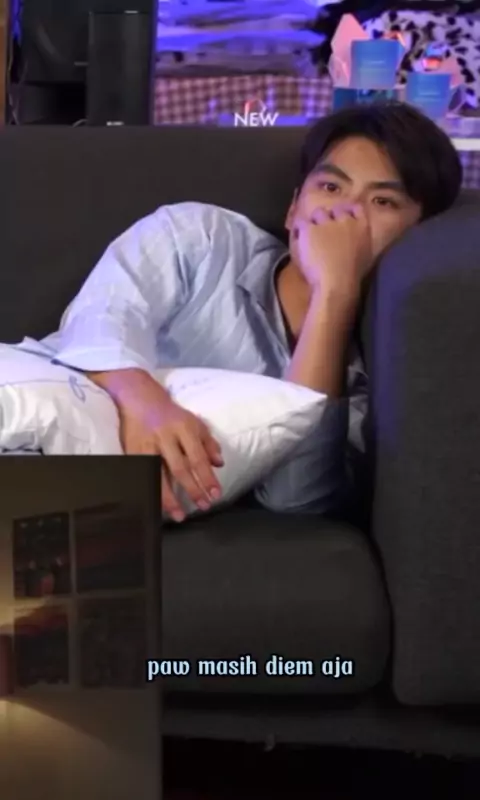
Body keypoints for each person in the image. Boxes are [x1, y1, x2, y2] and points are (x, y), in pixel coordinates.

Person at [19, 103, 462, 522]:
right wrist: (146, 405)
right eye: (330, 188)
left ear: (418, 237)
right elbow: (102, 317)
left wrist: (334, 294)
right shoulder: (201, 237)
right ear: (293, 209)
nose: (343, 215)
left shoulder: (378, 373)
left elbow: (294, 500)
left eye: (382, 202)